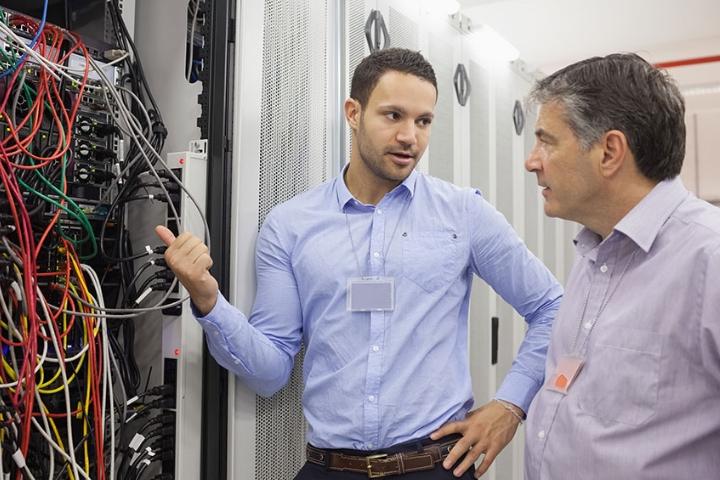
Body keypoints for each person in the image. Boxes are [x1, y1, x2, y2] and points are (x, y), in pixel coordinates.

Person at [156, 48, 562, 479]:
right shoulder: (291, 226)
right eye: (393, 116)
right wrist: (207, 298)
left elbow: (551, 307)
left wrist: (510, 406)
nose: (411, 136)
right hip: (329, 468)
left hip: (433, 467)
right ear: (354, 112)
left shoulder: (463, 214)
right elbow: (270, 371)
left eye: (423, 121)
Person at [523, 53, 720, 480]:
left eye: (547, 141)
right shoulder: (596, 252)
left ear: (610, 152)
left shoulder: (710, 259)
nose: (532, 161)